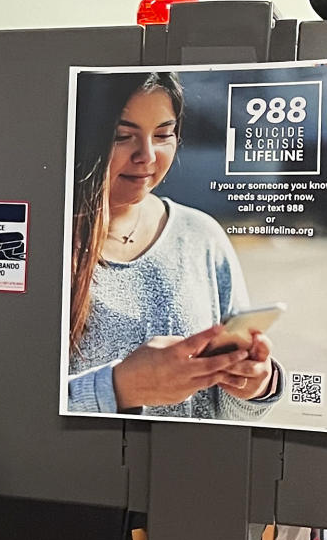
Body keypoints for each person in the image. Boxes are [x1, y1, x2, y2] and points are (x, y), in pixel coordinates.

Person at [65, 71, 283, 420]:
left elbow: (225, 418)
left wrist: (254, 387)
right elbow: (7, 409)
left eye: (164, 134)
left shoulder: (201, 236)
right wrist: (119, 388)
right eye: (123, 136)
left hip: (188, 470)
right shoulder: (40, 242)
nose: (147, 156)